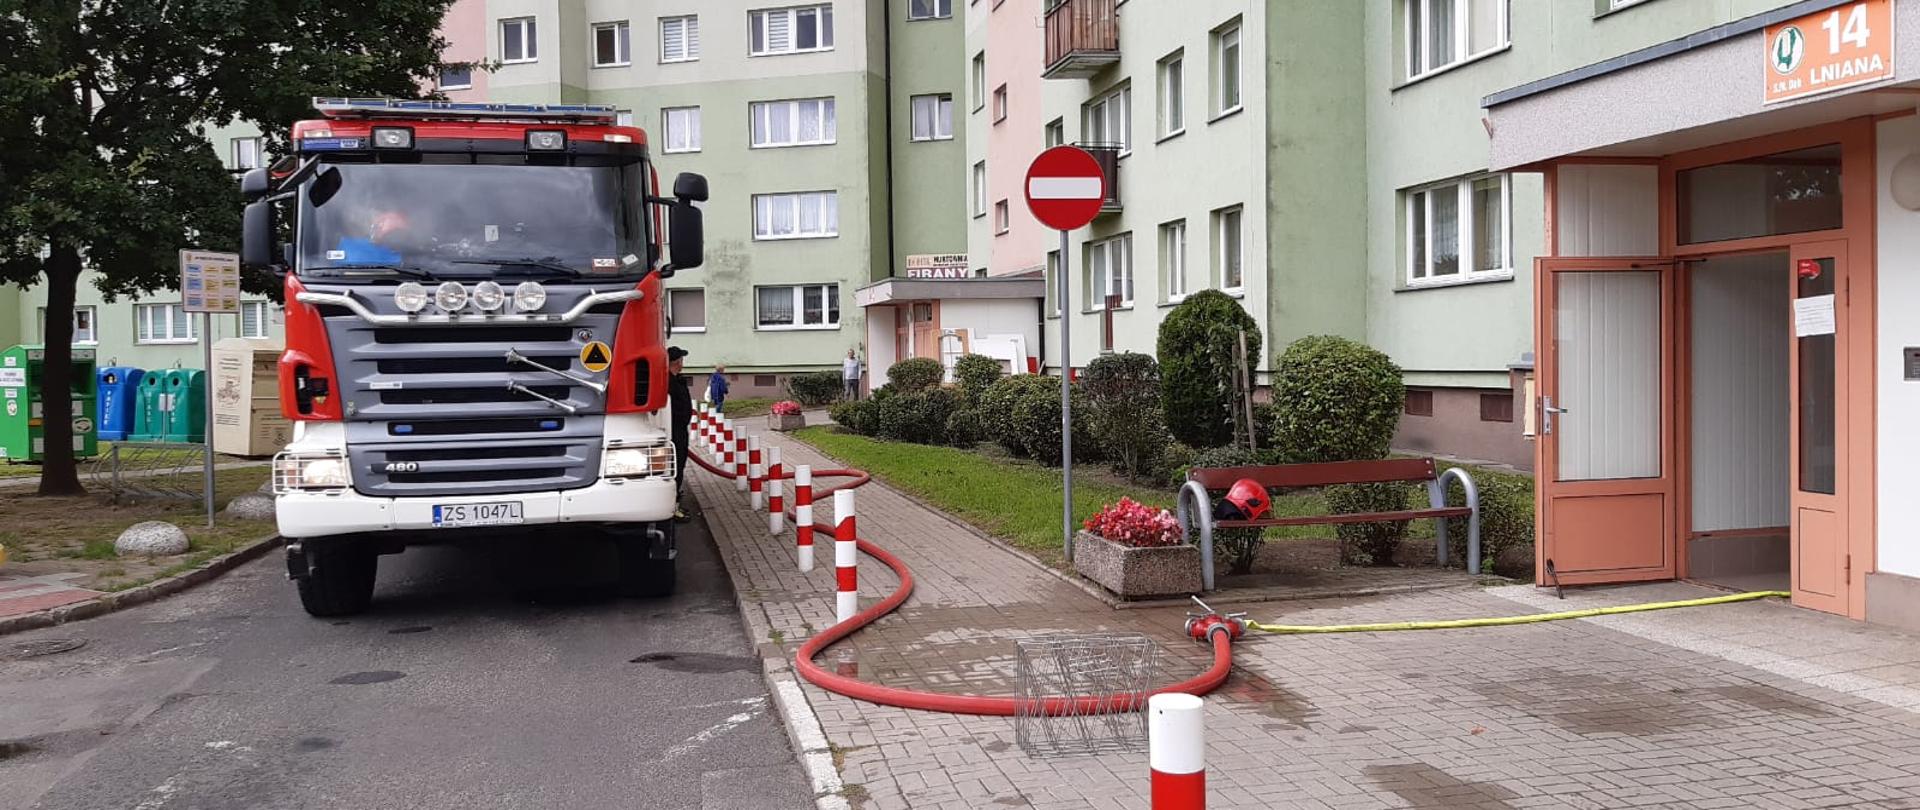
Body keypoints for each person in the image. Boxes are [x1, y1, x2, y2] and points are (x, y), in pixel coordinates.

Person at [667, 347, 692, 523]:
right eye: (681, 359)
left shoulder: (675, 380)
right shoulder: (670, 382)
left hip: (678, 429)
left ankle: (674, 500)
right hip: (675, 431)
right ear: (677, 362)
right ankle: (673, 507)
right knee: (675, 468)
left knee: (678, 467)